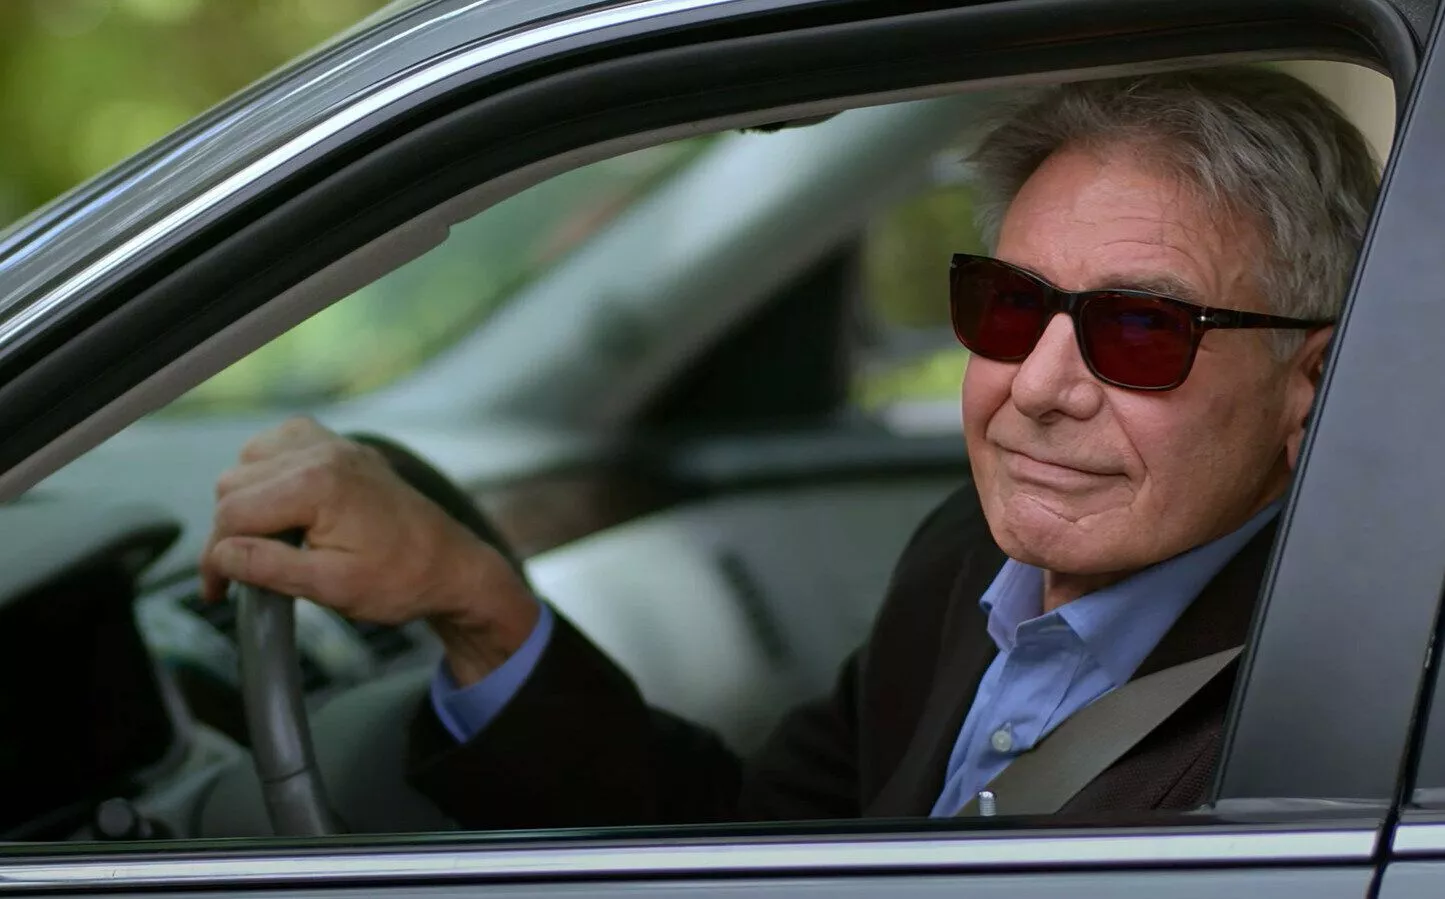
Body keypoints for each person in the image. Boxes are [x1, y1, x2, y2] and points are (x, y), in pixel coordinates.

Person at [200, 66, 1380, 827]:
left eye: (1140, 330)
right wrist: (477, 607)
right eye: (1009, 305)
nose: (1035, 385)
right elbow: (756, 837)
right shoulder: (966, 557)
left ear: (1310, 382)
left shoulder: (1346, 716)